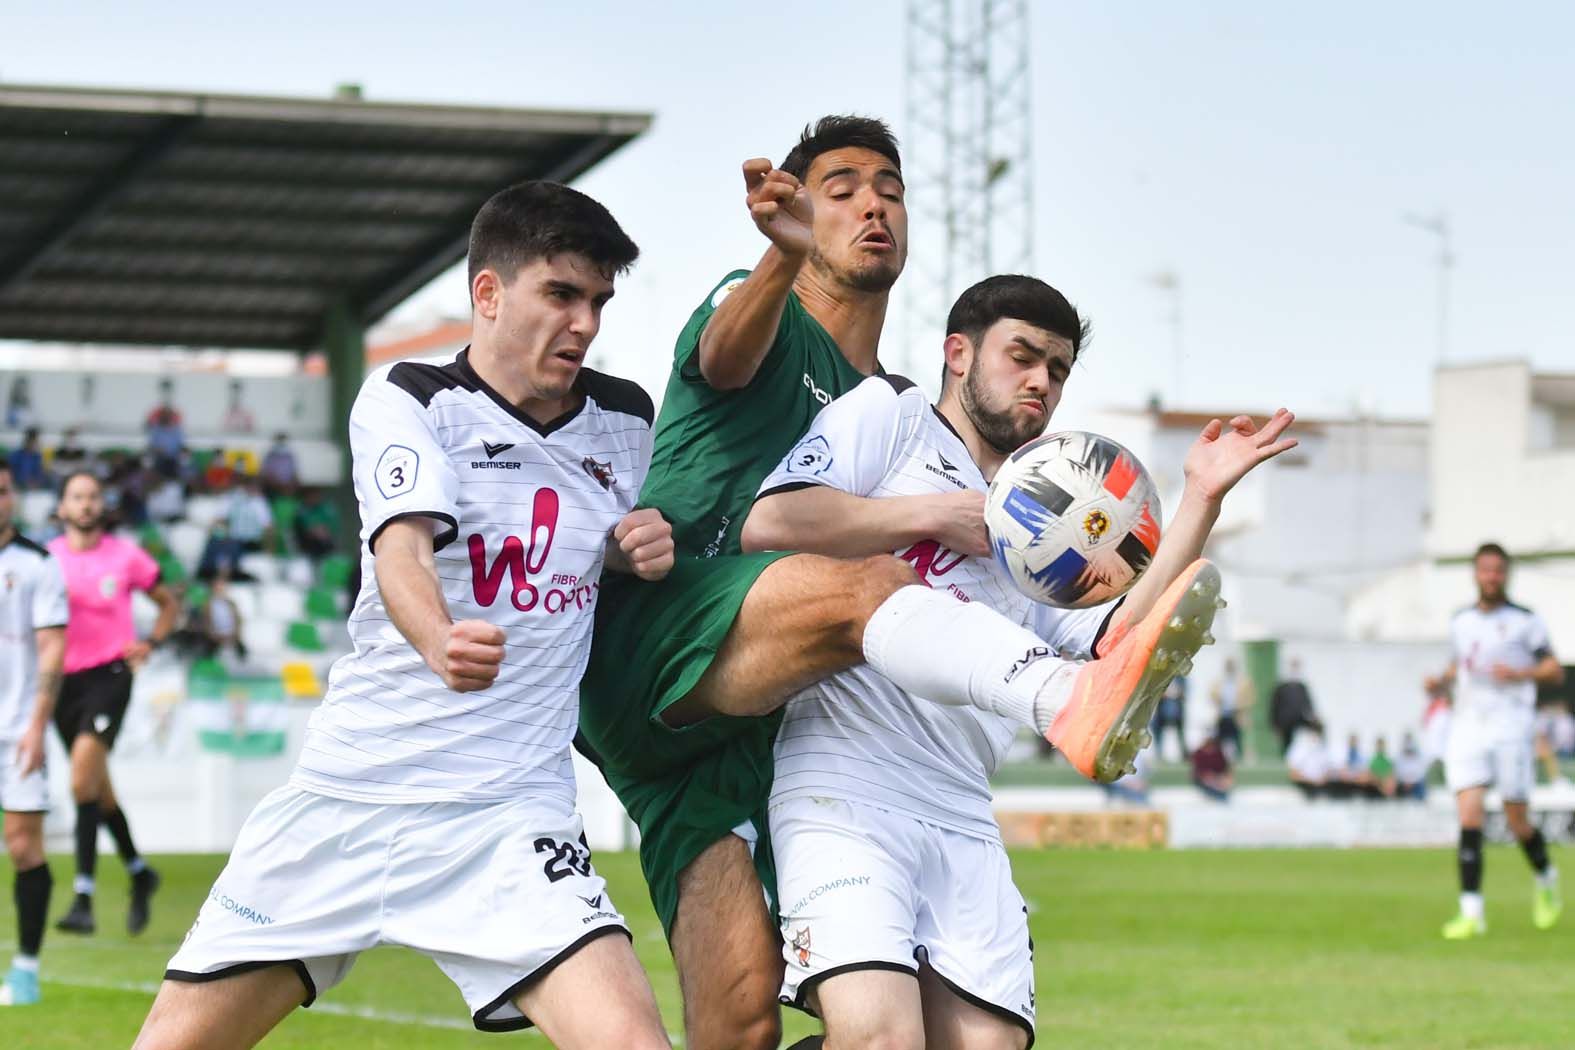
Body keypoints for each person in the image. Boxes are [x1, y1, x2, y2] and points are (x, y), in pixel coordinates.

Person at [577, 116, 1282, 1050]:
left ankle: (1067, 698)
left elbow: (1112, 627)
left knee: (740, 1022)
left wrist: (1194, 500)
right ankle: (1059, 703)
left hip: (744, 728)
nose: (873, 204)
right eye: (841, 188)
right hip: (671, 638)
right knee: (862, 585)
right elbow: (731, 392)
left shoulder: (968, 468)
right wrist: (778, 259)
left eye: (891, 191)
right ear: (962, 354)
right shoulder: (838, 370)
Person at [134, 181, 676, 1049]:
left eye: (597, 301)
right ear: (488, 294)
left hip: (508, 815)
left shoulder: (623, 419)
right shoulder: (408, 397)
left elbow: (608, 546)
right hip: (351, 798)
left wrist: (627, 550)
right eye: (560, 294)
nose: (583, 323)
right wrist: (438, 637)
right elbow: (401, 549)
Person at [741, 274, 1290, 1043]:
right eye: (1022, 356)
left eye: (1058, 369)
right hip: (844, 784)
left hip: (962, 805)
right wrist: (936, 513)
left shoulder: (1042, 511)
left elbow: (1106, 647)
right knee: (878, 1036)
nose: (1040, 381)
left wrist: (1200, 497)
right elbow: (770, 521)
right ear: (957, 354)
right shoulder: (889, 416)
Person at [47, 471, 179, 938]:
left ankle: (83, 896)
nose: (85, 505)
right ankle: (140, 872)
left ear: (102, 507)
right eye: (76, 497)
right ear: (62, 508)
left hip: (111, 677)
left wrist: (152, 643)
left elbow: (167, 602)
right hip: (62, 683)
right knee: (97, 791)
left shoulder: (126, 556)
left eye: (92, 497)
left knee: (81, 778)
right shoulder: (47, 559)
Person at [1427, 542, 1565, 939]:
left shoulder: (1525, 621)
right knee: (1468, 815)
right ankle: (1471, 911)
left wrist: (1522, 674)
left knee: (1515, 817)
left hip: (1511, 725)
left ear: (1506, 575)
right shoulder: (1461, 621)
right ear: (1475, 574)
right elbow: (1459, 665)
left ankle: (1546, 877)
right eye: (1485, 570)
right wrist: (1440, 682)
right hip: (1469, 724)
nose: (1491, 577)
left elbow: (1554, 670)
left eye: (1498, 571)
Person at [0, 462, 69, 1006]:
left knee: (23, 846)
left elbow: (51, 648)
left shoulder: (38, 565)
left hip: (16, 729)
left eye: (1, 492)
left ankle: (25, 970)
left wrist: (37, 725)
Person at [1270, 658, 1317, 754]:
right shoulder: (1281, 686)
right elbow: (1275, 706)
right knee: (1287, 744)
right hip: (1286, 721)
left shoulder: (1302, 686)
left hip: (1299, 718)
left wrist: (1313, 717)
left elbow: (1308, 704)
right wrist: (1275, 725)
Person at [1211, 657, 1255, 762]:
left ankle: (1241, 760)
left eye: (1231, 665)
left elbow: (1251, 698)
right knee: (1220, 741)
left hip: (1237, 715)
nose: (1229, 667)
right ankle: (1219, 762)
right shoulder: (1219, 681)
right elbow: (1212, 695)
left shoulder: (1244, 681)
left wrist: (1239, 705)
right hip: (1223, 715)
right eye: (1228, 665)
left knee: (1239, 740)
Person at [145, 381, 186, 478]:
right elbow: (152, 443)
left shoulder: (176, 430)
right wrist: (158, 450)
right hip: (160, 457)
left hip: (173, 458)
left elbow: (181, 444)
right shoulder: (156, 429)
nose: (166, 417)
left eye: (168, 415)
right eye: (164, 415)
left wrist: (176, 452)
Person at [225, 475, 273, 552]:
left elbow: (268, 527)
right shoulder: (234, 497)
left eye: (257, 487)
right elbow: (223, 519)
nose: (255, 489)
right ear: (246, 486)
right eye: (252, 486)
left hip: (253, 543)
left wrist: (268, 549)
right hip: (233, 541)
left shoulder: (260, 503)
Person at [292, 486, 340, 561]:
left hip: (326, 547)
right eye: (311, 495)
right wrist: (315, 530)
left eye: (316, 494)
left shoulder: (326, 508)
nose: (314, 497)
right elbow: (304, 528)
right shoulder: (301, 510)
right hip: (306, 547)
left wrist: (323, 531)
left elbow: (333, 528)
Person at [1286, 722, 1331, 799]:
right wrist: (1312, 781)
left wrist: (1321, 780)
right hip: (1305, 785)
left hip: (1321, 784)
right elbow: (1293, 774)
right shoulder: (1299, 748)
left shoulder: (1323, 748)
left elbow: (1328, 770)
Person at [1191, 733, 1234, 803]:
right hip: (1203, 779)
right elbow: (1198, 770)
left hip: (1218, 778)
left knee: (1224, 784)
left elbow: (1225, 767)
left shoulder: (1218, 753)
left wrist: (1225, 777)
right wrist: (1207, 776)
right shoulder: (1198, 753)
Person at [1393, 732, 1429, 800]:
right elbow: (1397, 771)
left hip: (1416, 783)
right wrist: (1406, 781)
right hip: (1403, 783)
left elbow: (1421, 772)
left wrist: (1411, 782)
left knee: (1422, 786)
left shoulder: (1419, 756)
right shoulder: (1399, 756)